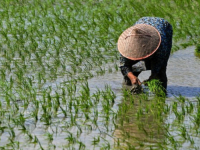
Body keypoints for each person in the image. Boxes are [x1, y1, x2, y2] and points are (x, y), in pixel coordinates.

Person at [118, 17, 173, 93]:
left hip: (163, 28)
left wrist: (152, 77)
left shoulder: (160, 45)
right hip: (142, 23)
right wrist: (132, 76)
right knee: (130, 75)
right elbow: (123, 65)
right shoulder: (126, 45)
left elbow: (159, 64)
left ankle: (161, 95)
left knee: (160, 73)